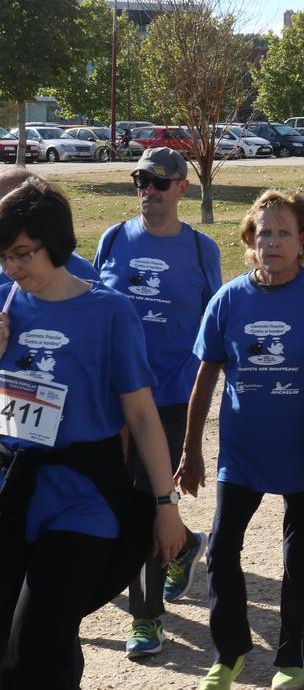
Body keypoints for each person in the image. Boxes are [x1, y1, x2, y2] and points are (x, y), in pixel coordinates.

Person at [0, 176, 186, 689]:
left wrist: (165, 506)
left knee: (37, 641)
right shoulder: (5, 307)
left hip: (82, 499)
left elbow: (144, 417)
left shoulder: (110, 312)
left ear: (53, 244)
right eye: (4, 257)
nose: (12, 268)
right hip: (14, 490)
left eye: (22, 254)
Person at [175, 191, 304, 690]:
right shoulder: (229, 299)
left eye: (284, 233)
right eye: (264, 232)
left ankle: (293, 660)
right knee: (223, 548)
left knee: (299, 552)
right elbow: (205, 378)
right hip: (242, 453)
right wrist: (191, 451)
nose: (272, 242)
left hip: (302, 450)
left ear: (303, 241)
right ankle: (229, 653)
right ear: (251, 239)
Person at [92, 146, 221, 658]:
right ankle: (186, 542)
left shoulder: (199, 250)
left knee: (148, 502)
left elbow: (216, 324)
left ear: (182, 189)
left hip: (169, 397)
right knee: (115, 495)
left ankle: (145, 620)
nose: (149, 191)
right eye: (141, 181)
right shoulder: (114, 239)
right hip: (113, 395)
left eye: (160, 183)